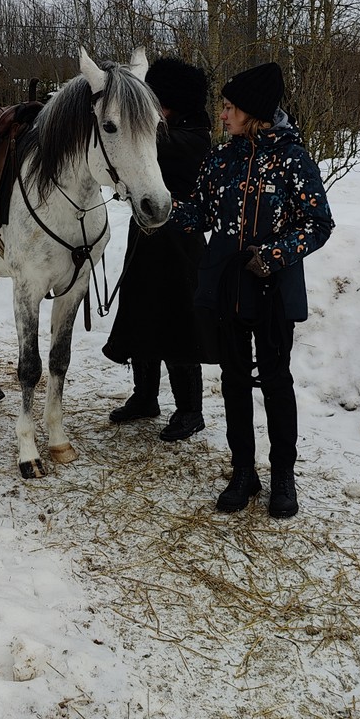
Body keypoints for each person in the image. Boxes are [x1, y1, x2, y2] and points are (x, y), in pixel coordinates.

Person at [170, 61, 334, 518]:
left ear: (252, 112)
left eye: (228, 108)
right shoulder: (222, 158)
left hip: (272, 291)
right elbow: (199, 214)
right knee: (235, 382)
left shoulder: (292, 159)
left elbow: (318, 224)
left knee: (277, 382)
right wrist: (162, 209)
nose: (221, 115)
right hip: (227, 289)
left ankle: (284, 473)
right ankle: (243, 471)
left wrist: (274, 255)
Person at [103, 57, 211, 441]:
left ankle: (190, 409)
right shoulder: (167, 131)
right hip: (146, 236)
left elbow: (142, 142)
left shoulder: (194, 137)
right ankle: (145, 396)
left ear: (172, 103)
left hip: (180, 243)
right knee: (140, 313)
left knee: (178, 321)